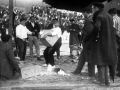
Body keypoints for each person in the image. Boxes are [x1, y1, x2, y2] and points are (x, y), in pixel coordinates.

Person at [90, 2, 118, 86]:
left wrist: (94, 37)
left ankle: (101, 81)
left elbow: (97, 27)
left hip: (101, 41)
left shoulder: (99, 16)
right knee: (105, 60)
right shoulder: (108, 15)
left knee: (100, 60)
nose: (92, 10)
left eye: (92, 8)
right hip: (109, 40)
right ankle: (107, 80)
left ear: (96, 8)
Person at [72, 7, 95, 78]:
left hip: (88, 42)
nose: (83, 15)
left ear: (85, 12)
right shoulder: (92, 18)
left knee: (89, 58)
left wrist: (84, 40)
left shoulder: (88, 20)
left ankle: (91, 73)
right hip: (88, 42)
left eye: (83, 13)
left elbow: (89, 32)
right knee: (83, 57)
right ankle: (77, 70)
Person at [108, 8, 120, 77]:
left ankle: (112, 73)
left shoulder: (114, 19)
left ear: (111, 13)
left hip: (116, 39)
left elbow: (115, 31)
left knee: (114, 55)